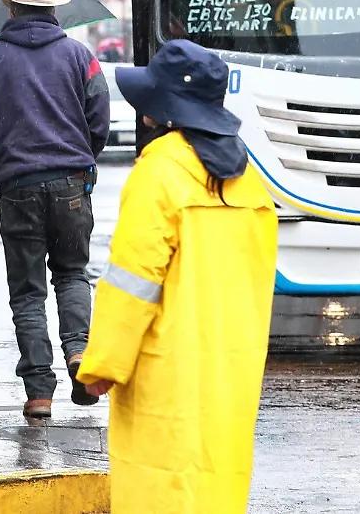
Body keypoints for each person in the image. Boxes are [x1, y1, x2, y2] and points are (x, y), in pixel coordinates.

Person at [76, 40, 277, 513]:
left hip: (166, 371)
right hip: (232, 370)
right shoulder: (250, 183)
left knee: (161, 486)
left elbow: (132, 283)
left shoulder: (161, 173)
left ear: (164, 110)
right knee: (217, 483)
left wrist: (103, 366)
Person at [0, 0, 110, 417]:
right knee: (71, 274)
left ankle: (38, 392)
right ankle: (79, 353)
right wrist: (81, 153)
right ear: (53, 10)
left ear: (10, 10)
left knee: (27, 292)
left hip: (18, 187)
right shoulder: (79, 55)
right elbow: (99, 117)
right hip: (71, 182)